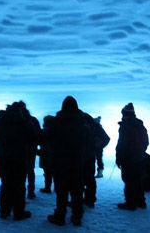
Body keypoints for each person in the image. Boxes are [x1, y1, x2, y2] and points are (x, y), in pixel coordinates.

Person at [46, 96, 93, 226]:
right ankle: (77, 216)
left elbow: (49, 139)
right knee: (77, 190)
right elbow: (88, 141)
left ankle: (60, 216)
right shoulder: (82, 122)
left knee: (61, 191)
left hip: (60, 161)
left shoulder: (58, 121)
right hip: (77, 161)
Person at [0, 103, 39, 221]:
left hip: (4, 156)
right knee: (19, 185)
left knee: (6, 184)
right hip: (21, 157)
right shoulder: (24, 120)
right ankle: (18, 212)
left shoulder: (2, 119)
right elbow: (34, 137)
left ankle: (4, 211)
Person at [115, 103, 149, 210]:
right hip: (139, 156)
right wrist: (141, 152)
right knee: (137, 179)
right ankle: (141, 201)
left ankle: (130, 203)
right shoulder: (140, 125)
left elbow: (122, 144)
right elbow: (146, 142)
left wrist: (118, 157)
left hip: (128, 157)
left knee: (128, 180)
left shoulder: (125, 126)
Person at [15, 101, 41, 199]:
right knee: (30, 170)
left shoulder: (14, 121)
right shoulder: (32, 120)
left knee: (18, 172)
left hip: (17, 150)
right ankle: (30, 191)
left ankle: (19, 192)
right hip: (31, 149)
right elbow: (38, 135)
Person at [83, 115, 109, 208]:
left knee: (82, 178)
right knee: (89, 178)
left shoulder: (89, 126)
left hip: (85, 155)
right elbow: (106, 139)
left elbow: (106, 139)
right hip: (90, 154)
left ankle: (86, 199)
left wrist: (96, 146)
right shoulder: (96, 126)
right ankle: (90, 199)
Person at [38, 115, 56, 194]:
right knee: (56, 172)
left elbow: (39, 141)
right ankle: (57, 187)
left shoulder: (43, 131)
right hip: (55, 154)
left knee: (47, 172)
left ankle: (47, 187)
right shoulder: (57, 131)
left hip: (45, 154)